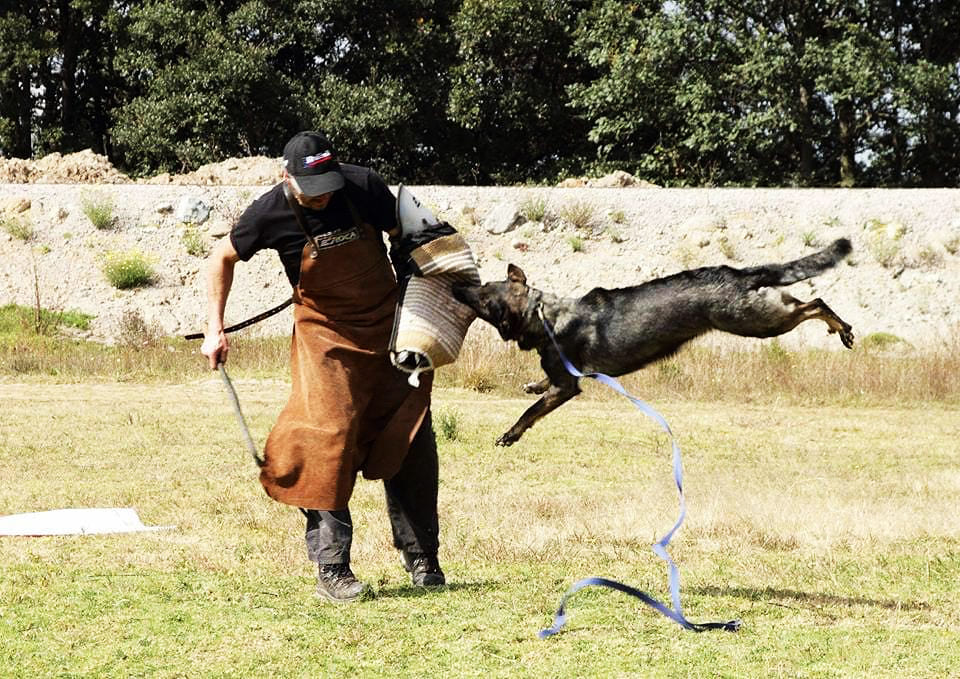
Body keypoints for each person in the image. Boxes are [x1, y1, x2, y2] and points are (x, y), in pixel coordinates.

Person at [200, 131, 444, 602]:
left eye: (328, 184)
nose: (324, 195)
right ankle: (333, 567)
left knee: (410, 434)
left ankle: (423, 559)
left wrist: (424, 294)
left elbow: (408, 237)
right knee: (327, 438)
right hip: (325, 337)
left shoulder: (364, 186)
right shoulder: (270, 211)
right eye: (312, 189)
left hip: (388, 329)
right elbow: (221, 256)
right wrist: (215, 327)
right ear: (286, 177)